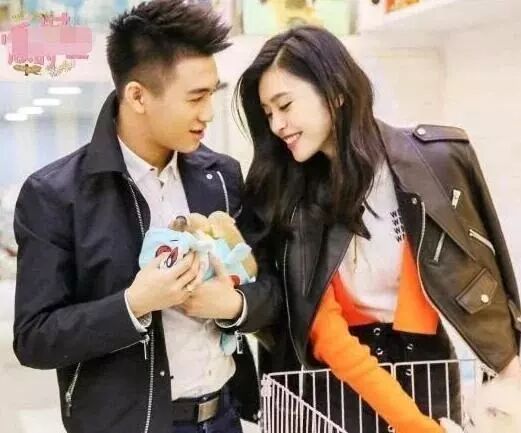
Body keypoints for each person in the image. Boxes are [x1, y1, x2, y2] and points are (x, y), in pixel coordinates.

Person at [233, 25, 521, 433]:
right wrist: (417, 426)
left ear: (335, 92)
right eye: (268, 114)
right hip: (336, 382)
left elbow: (483, 274)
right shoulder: (288, 196)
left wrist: (510, 372)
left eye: (285, 105)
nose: (277, 125)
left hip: (427, 368)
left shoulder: (435, 162)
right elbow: (326, 333)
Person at [13, 1, 281, 432]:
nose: (208, 113)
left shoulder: (221, 176)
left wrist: (233, 305)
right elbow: (34, 338)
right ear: (137, 96)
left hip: (224, 417)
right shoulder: (55, 195)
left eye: (211, 94)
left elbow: (268, 285)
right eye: (195, 97)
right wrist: (134, 304)